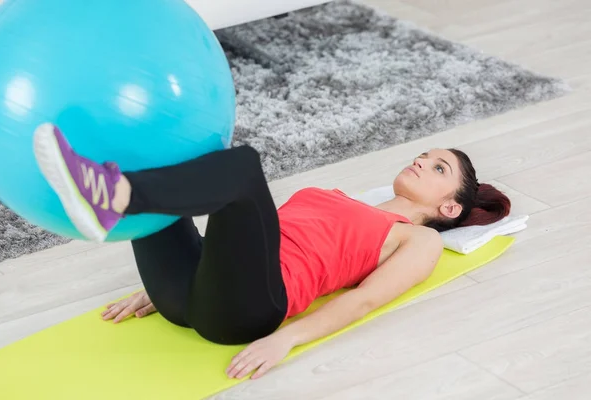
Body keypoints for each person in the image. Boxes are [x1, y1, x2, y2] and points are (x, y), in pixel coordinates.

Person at [32, 122, 510, 381]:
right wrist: (181, 273)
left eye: (439, 167)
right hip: (192, 295)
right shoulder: (340, 198)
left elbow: (363, 300)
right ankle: (103, 185)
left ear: (449, 206)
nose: (422, 160)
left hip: (250, 311)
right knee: (158, 161)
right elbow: (241, 244)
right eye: (426, 155)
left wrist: (289, 338)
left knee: (243, 166)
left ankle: (113, 197)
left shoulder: (418, 238)